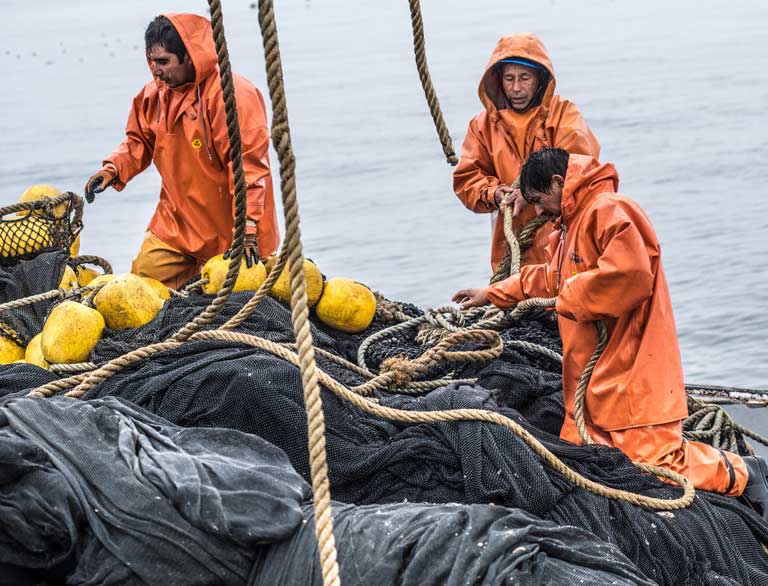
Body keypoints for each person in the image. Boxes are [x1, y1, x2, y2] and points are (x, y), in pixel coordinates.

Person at [453, 148, 768, 511]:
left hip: (633, 369)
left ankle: (744, 473)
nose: (537, 213)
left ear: (558, 183)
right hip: (594, 381)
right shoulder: (571, 224)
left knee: (656, 463)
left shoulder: (611, 211)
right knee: (587, 456)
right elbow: (548, 277)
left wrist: (568, 296)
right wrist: (492, 293)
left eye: (539, 201)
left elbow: (631, 275)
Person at [84, 13, 279, 288]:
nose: (155, 70)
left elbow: (249, 166)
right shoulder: (154, 95)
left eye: (163, 62)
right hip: (177, 225)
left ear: (190, 57)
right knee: (138, 289)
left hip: (236, 231)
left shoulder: (232, 96)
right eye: (151, 61)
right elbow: (138, 140)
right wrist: (113, 169)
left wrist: (248, 227)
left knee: (245, 306)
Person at [453, 33, 600, 273]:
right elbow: (467, 179)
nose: (516, 88)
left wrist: (529, 192)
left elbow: (581, 167)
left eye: (525, 78)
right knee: (517, 302)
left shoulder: (563, 114)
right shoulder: (481, 126)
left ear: (539, 78)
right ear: (498, 80)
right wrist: (494, 194)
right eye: (509, 79)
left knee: (564, 297)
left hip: (564, 240)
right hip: (511, 249)